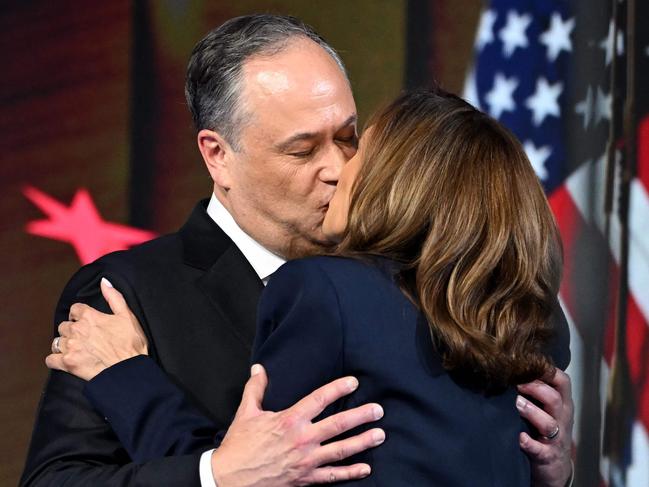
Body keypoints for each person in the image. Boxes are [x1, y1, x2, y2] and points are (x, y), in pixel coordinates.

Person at [25, 15, 574, 487]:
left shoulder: (433, 283)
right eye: (303, 149)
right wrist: (211, 476)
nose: (336, 169)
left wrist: (544, 465)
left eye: (348, 138)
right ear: (218, 155)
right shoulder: (125, 293)